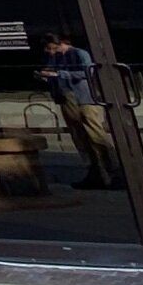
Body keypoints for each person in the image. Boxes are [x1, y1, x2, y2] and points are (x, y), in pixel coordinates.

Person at [36, 30, 120, 188]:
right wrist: (47, 77)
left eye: (52, 48)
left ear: (60, 43)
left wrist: (59, 74)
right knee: (80, 137)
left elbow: (87, 73)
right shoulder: (55, 57)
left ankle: (114, 171)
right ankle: (95, 172)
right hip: (67, 97)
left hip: (85, 98)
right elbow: (52, 72)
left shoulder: (79, 54)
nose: (50, 52)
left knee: (95, 135)